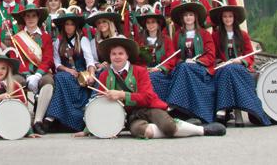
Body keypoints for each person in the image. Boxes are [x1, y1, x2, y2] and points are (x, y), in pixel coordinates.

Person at [73, 36, 225, 138]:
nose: (117, 57)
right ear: (109, 56)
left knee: (168, 127)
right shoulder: (104, 75)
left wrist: (122, 95)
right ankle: (184, 127)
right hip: (130, 116)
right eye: (114, 54)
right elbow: (99, 104)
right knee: (141, 131)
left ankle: (201, 130)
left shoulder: (140, 71)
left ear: (127, 56)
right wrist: (89, 129)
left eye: (121, 53)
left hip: (149, 108)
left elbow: (148, 97)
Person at [210, 5, 270, 126]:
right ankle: (237, 114)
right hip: (222, 68)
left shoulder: (243, 35)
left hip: (241, 68)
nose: (228, 19)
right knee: (228, 70)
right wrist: (219, 62)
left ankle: (223, 109)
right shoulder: (215, 36)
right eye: (225, 16)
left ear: (234, 18)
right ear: (221, 19)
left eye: (230, 16)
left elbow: (250, 55)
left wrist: (241, 61)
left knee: (231, 70)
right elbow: (213, 54)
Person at [45, 9, 97, 132]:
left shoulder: (83, 40)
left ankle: (52, 117)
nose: (69, 27)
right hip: (66, 71)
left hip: (81, 73)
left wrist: (91, 75)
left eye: (72, 24)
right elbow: (57, 63)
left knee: (62, 79)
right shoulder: (58, 41)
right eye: (67, 24)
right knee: (60, 77)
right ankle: (54, 118)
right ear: (63, 27)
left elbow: (90, 61)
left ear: (76, 26)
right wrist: (67, 70)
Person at [165, 2, 216, 124]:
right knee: (183, 68)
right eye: (186, 15)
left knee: (185, 68)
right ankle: (184, 110)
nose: (188, 17)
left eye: (191, 15)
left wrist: (196, 61)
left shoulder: (204, 34)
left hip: (200, 68)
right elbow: (174, 56)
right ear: (182, 18)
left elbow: (211, 55)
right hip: (182, 67)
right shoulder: (178, 35)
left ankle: (174, 103)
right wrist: (181, 61)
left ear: (195, 17)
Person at [11, 2, 55, 135]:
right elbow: (15, 58)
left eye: (33, 16)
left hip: (40, 72)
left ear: (38, 18)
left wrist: (38, 75)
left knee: (49, 83)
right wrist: (27, 75)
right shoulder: (17, 37)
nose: (30, 19)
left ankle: (38, 121)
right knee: (14, 83)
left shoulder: (45, 37)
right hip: (22, 73)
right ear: (24, 18)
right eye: (27, 16)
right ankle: (22, 119)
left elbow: (48, 59)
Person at [135, 4, 177, 101]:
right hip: (144, 71)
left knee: (152, 77)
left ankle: (157, 101)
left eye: (153, 22)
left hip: (161, 72)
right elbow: (136, 59)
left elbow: (171, 59)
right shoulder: (140, 41)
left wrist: (160, 68)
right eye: (148, 22)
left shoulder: (166, 40)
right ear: (145, 25)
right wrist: (145, 69)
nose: (151, 25)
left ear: (158, 24)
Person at [87, 8, 122, 73]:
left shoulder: (120, 38)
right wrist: (99, 65)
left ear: (109, 23)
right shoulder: (94, 42)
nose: (101, 24)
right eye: (98, 23)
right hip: (103, 72)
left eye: (104, 21)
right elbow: (93, 60)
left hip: (119, 70)